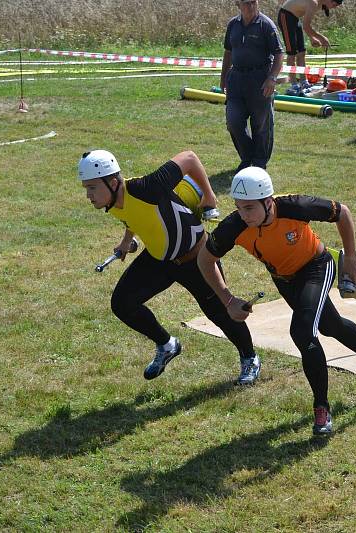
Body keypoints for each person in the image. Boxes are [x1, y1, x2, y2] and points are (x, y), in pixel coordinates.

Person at [197, 167, 356, 436]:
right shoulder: (234, 226)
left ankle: (321, 409)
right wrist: (228, 300)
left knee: (302, 332)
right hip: (284, 279)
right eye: (239, 207)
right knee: (330, 326)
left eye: (250, 208)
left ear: (268, 202)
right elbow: (205, 260)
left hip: (316, 266)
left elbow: (342, 212)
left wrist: (350, 256)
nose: (244, 215)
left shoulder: (295, 206)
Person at [79, 149, 261, 385]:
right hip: (159, 259)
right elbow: (133, 216)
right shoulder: (111, 200)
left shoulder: (147, 188)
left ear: (113, 182)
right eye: (86, 188)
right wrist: (126, 240)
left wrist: (209, 195)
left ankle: (250, 358)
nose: (88, 195)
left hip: (195, 258)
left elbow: (190, 158)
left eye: (92, 187)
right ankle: (167, 345)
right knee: (122, 304)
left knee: (221, 312)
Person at [220, 0, 284, 171]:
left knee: (261, 124)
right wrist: (223, 76)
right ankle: (247, 157)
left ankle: (260, 161)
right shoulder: (233, 25)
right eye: (246, 3)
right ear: (238, 4)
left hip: (259, 79)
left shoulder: (266, 25)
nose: (250, 6)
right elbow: (228, 52)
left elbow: (279, 54)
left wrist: (272, 78)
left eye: (253, 2)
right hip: (236, 79)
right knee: (233, 121)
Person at [277, 0, 344, 86]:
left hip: (295, 18)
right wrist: (322, 38)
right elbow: (306, 26)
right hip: (285, 16)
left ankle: (303, 81)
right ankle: (293, 84)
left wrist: (312, 38)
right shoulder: (314, 3)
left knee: (301, 53)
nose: (334, 7)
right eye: (335, 4)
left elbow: (306, 25)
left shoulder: (320, 4)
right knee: (292, 53)